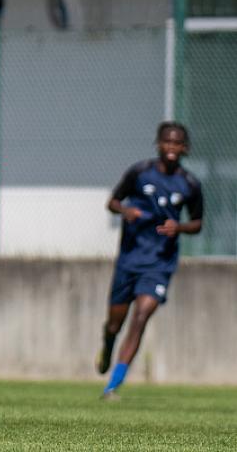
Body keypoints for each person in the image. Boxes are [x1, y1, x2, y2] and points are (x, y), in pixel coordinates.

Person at [96, 121, 203, 400]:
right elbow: (112, 202)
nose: (172, 147)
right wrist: (125, 210)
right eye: (167, 142)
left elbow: (197, 222)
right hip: (130, 260)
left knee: (141, 317)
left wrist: (178, 228)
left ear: (185, 148)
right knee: (114, 325)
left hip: (159, 263)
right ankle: (107, 347)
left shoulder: (190, 184)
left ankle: (113, 385)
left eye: (177, 143)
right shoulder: (140, 172)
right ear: (159, 144)